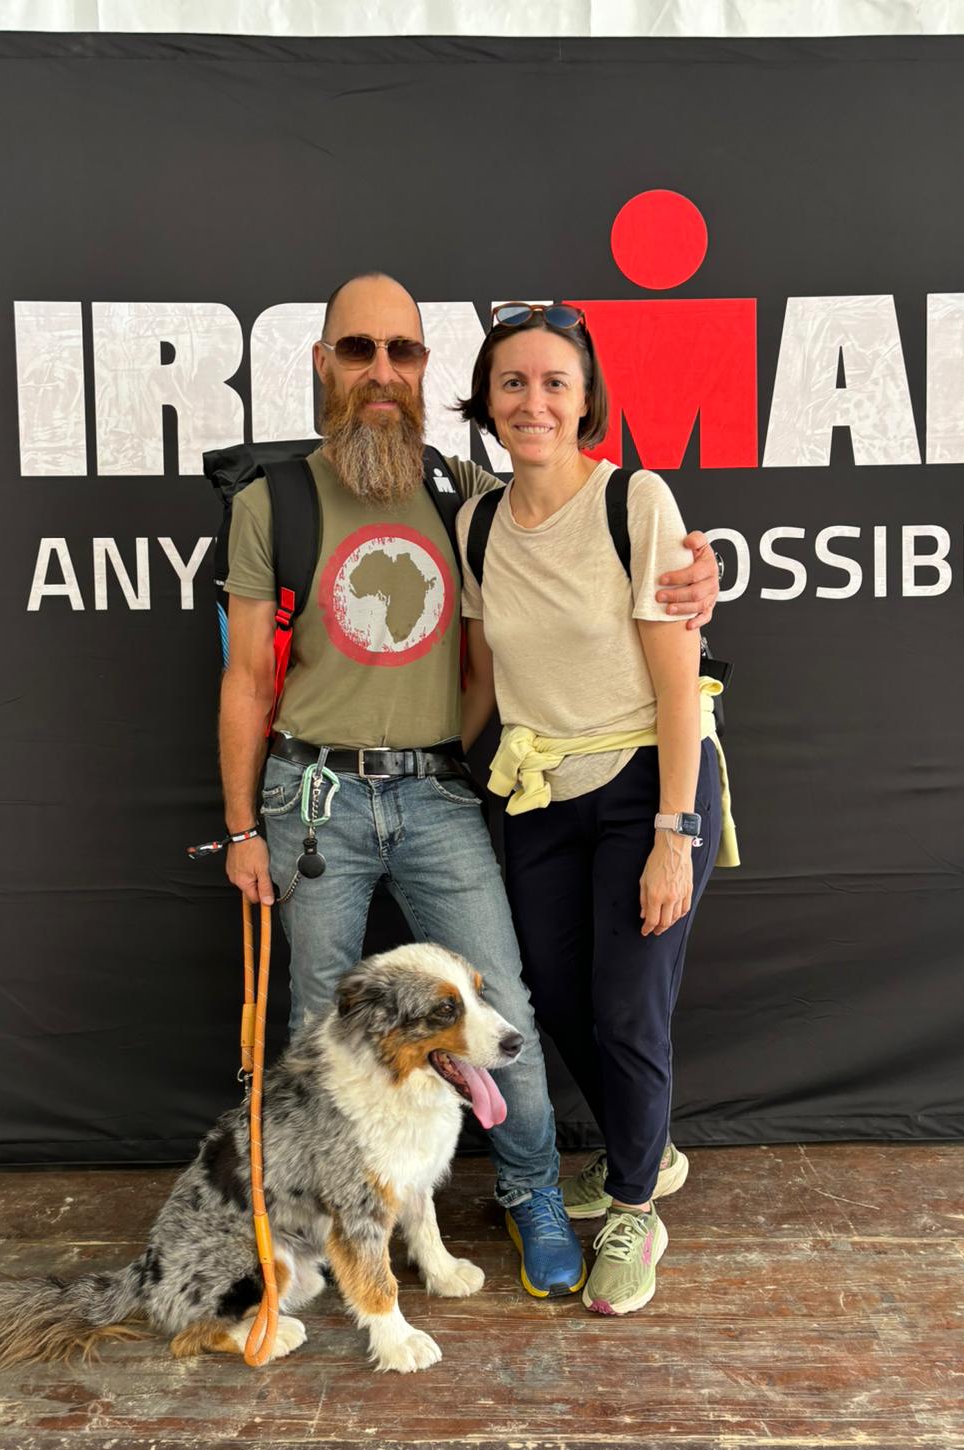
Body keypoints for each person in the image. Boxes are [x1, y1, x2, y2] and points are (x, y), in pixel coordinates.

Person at [218, 273, 721, 1299]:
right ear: (323, 363)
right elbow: (253, 677)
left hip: (457, 795)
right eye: (358, 350)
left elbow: (617, 604)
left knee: (505, 1007)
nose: (381, 371)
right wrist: (240, 827)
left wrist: (697, 572)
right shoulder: (294, 503)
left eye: (402, 352)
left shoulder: (469, 495)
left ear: (425, 371)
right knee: (325, 1026)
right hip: (321, 801)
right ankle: (330, 1222)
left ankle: (539, 1189)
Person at [456, 302, 739, 1316]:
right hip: (538, 790)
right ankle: (644, 1147)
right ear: (487, 403)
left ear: (585, 402)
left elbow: (677, 683)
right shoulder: (476, 522)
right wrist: (430, 760)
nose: (532, 401)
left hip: (646, 783)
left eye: (554, 383)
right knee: (554, 999)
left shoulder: (635, 500)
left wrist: (674, 833)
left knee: (627, 1006)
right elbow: (481, 679)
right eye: (513, 382)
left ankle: (633, 1205)